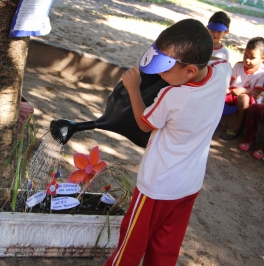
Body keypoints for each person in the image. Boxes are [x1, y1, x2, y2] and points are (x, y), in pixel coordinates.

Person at [105, 19, 231, 266]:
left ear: (190, 71)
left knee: (131, 243)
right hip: (189, 184)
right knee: (166, 247)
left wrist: (133, 87)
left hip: (156, 186)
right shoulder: (223, 70)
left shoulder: (174, 95)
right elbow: (217, 58)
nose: (160, 74)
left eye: (164, 70)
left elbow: (144, 123)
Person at [220, 37, 264, 140]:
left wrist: (244, 91)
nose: (247, 60)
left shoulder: (261, 73)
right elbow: (229, 82)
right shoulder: (238, 66)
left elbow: (257, 94)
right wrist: (226, 87)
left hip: (248, 100)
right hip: (232, 95)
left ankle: (239, 126)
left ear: (262, 58)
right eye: (245, 55)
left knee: (243, 97)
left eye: (252, 58)